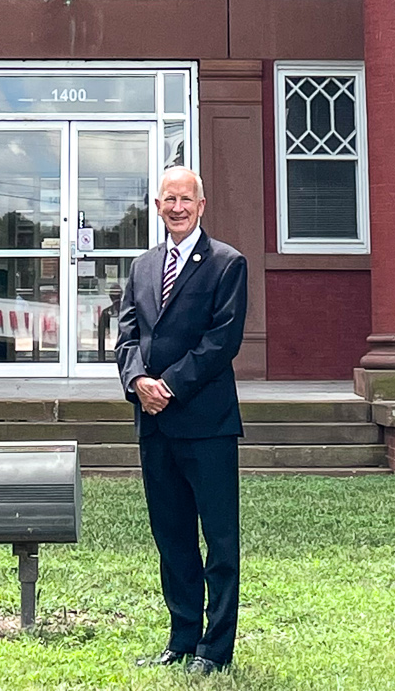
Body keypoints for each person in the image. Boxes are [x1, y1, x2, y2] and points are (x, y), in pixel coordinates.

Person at [115, 165, 247, 675]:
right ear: (156, 205)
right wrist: (136, 383)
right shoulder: (142, 267)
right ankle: (182, 638)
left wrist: (167, 385)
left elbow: (222, 341)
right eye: (168, 199)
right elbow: (126, 337)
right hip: (155, 426)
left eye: (185, 199)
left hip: (206, 423)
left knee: (219, 541)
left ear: (201, 205)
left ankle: (216, 649)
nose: (176, 207)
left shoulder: (226, 264)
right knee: (172, 539)